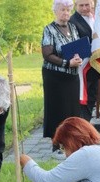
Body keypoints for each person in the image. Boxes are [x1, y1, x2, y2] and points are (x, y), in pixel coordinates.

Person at [42, 0, 83, 155]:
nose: (66, 13)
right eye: (62, 10)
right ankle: (56, 144)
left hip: (72, 76)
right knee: (57, 109)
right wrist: (67, 63)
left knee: (72, 109)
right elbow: (47, 55)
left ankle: (71, 141)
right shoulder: (49, 29)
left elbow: (77, 47)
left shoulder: (73, 27)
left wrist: (78, 58)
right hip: (55, 77)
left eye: (68, 10)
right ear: (55, 11)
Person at [69, 0, 100, 121]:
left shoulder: (95, 18)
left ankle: (86, 125)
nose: (85, 8)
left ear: (92, 4)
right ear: (76, 6)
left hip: (94, 66)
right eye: (81, 5)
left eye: (87, 5)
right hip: (81, 68)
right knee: (82, 101)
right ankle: (82, 127)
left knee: (92, 97)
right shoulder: (72, 21)